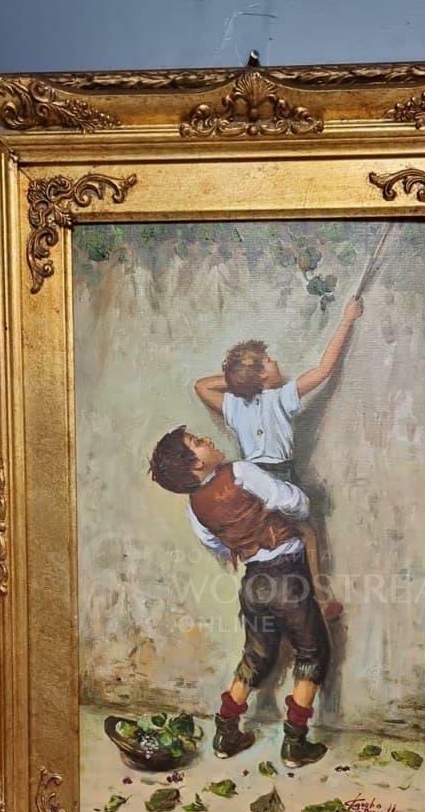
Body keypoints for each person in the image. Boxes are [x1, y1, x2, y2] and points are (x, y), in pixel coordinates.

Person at [149, 427, 330, 767]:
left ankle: (226, 732)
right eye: (197, 442)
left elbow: (216, 546)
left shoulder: (194, 508)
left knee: (256, 655)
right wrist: (291, 509)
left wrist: (245, 542)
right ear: (195, 465)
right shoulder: (241, 472)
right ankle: (295, 743)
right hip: (288, 576)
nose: (207, 440)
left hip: (253, 583)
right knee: (313, 651)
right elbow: (297, 503)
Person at [193, 295, 364, 620]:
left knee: (265, 545)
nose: (275, 361)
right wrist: (347, 319)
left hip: (250, 484)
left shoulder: (236, 406)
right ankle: (320, 600)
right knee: (305, 536)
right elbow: (325, 369)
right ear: (260, 376)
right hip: (278, 479)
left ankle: (273, 606)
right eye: (268, 361)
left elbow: (201, 386)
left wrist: (238, 381)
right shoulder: (280, 398)